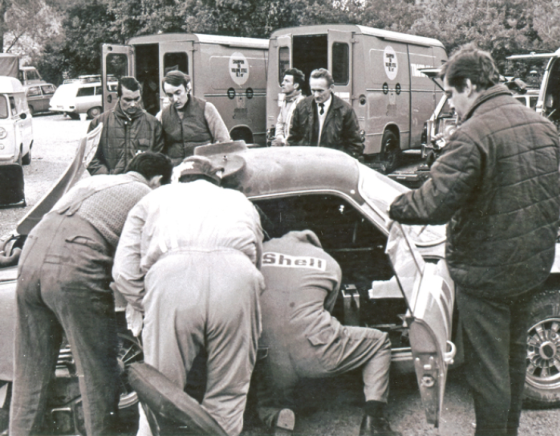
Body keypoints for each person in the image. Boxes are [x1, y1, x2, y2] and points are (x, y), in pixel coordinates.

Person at [388, 46, 560, 436]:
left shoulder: (472, 133)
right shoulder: (541, 124)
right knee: (513, 362)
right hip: (530, 267)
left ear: (468, 86)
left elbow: (435, 203)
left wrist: (394, 203)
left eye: (451, 94)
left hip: (486, 275)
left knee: (488, 376)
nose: (451, 104)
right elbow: (556, 195)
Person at [10, 152, 174, 436]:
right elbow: (142, 261)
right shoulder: (147, 195)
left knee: (31, 370)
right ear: (158, 180)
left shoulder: (96, 181)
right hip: (75, 262)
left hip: (30, 255)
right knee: (99, 371)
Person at [113, 155, 265, 436]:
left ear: (179, 178)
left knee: (161, 390)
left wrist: (148, 304)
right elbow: (257, 261)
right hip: (238, 277)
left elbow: (123, 271)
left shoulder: (153, 199)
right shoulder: (240, 201)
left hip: (171, 278)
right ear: (214, 180)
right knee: (229, 393)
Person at [252, 230, 399, 436]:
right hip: (316, 350)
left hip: (266, 351)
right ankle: (373, 421)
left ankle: (276, 415)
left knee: (267, 396)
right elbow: (327, 309)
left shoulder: (257, 253)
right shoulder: (327, 261)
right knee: (379, 342)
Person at [87, 76, 164, 175]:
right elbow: (90, 157)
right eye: (127, 100)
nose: (133, 104)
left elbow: (159, 158)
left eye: (137, 99)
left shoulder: (153, 124)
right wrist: (108, 177)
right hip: (111, 185)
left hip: (141, 185)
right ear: (118, 97)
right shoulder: (99, 123)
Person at [287, 68, 363, 158]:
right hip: (307, 163)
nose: (316, 95)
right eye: (313, 90)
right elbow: (293, 139)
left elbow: (355, 145)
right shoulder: (301, 107)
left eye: (320, 91)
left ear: (331, 88)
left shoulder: (345, 110)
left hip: (333, 166)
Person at [159, 70, 231, 165]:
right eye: (170, 95)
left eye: (178, 93)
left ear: (187, 88)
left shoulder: (206, 108)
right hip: (175, 172)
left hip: (203, 169)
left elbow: (223, 140)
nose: (175, 99)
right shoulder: (162, 115)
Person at [272, 68, 306, 146]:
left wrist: (286, 142)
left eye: (287, 81)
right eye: (283, 80)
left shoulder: (302, 103)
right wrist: (280, 137)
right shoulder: (285, 102)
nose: (282, 83)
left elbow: (300, 133)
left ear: (296, 85)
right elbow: (279, 123)